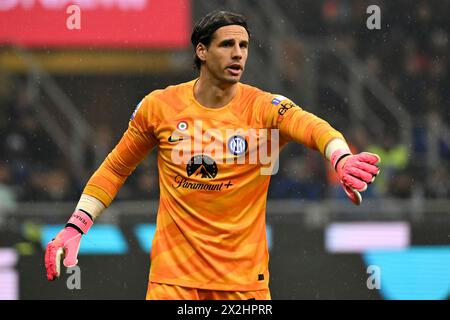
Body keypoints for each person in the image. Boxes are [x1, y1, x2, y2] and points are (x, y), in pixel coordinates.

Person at [44, 10, 380, 300]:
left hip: (244, 286)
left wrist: (341, 158)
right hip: (173, 282)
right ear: (202, 51)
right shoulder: (160, 107)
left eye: (244, 46)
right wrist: (76, 226)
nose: (238, 54)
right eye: (227, 45)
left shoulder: (263, 109)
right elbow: (115, 169)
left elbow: (316, 128)